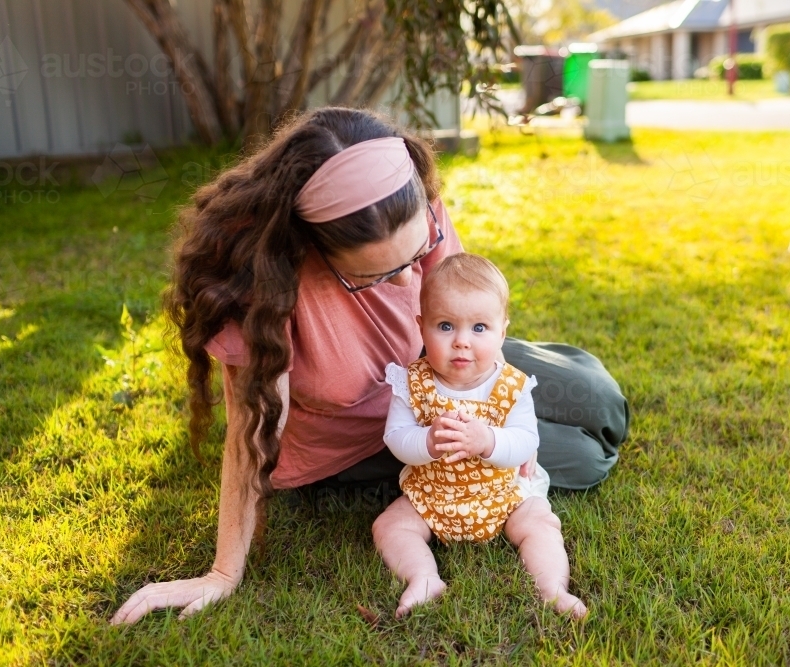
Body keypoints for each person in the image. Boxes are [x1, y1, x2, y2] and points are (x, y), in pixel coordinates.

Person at [110, 107, 628, 625]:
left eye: (417, 253)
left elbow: (459, 305)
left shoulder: (405, 201)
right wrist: (222, 572)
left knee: (600, 400)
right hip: (361, 434)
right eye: (379, 275)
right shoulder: (266, 289)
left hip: (443, 365)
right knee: (584, 457)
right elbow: (254, 431)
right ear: (318, 250)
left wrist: (480, 401)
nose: (410, 287)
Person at [373, 253, 587, 619]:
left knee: (540, 523)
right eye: (445, 326)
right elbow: (395, 437)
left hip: (503, 497)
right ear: (421, 327)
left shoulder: (510, 386)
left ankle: (552, 588)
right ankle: (423, 577)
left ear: (502, 332)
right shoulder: (411, 383)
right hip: (430, 496)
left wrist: (488, 440)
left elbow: (524, 441)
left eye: (479, 328)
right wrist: (426, 442)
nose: (461, 342)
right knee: (389, 525)